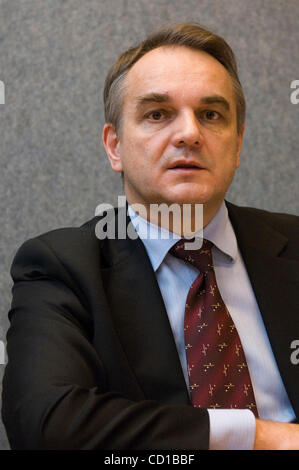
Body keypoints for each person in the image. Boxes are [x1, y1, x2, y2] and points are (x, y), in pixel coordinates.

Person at [2, 23, 299, 450]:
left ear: (238, 145)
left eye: (211, 115)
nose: (189, 134)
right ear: (115, 147)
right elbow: (46, 424)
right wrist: (258, 437)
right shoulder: (62, 266)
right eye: (157, 114)